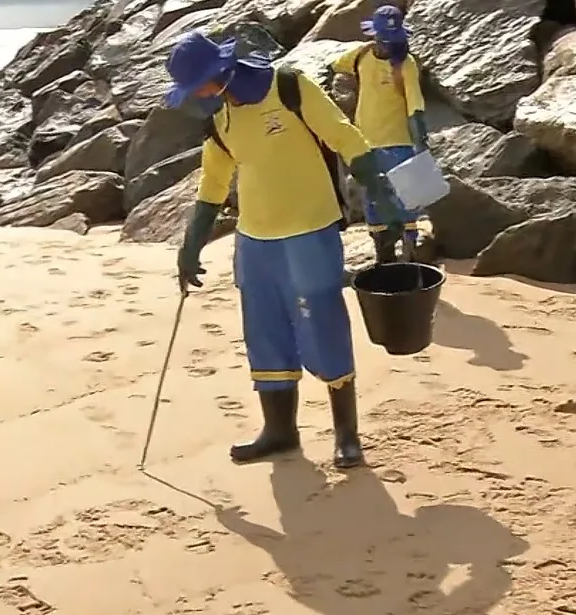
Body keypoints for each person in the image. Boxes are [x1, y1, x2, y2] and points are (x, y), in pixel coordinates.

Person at [164, 30, 407, 468]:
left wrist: (383, 192)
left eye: (195, 87)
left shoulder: (289, 86)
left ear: (218, 73)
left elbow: (343, 136)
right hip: (254, 241)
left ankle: (346, 436)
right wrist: (190, 245)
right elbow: (213, 183)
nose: (195, 97)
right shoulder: (220, 119)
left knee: (324, 323)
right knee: (265, 330)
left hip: (310, 230)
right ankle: (279, 431)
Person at [330, 3, 429, 264]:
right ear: (373, 35)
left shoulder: (406, 64)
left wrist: (421, 143)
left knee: (406, 202)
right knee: (373, 201)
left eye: (391, 41)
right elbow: (337, 67)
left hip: (400, 143)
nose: (387, 46)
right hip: (365, 143)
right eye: (383, 40)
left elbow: (415, 106)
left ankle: (411, 255)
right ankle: (383, 255)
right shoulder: (360, 55)